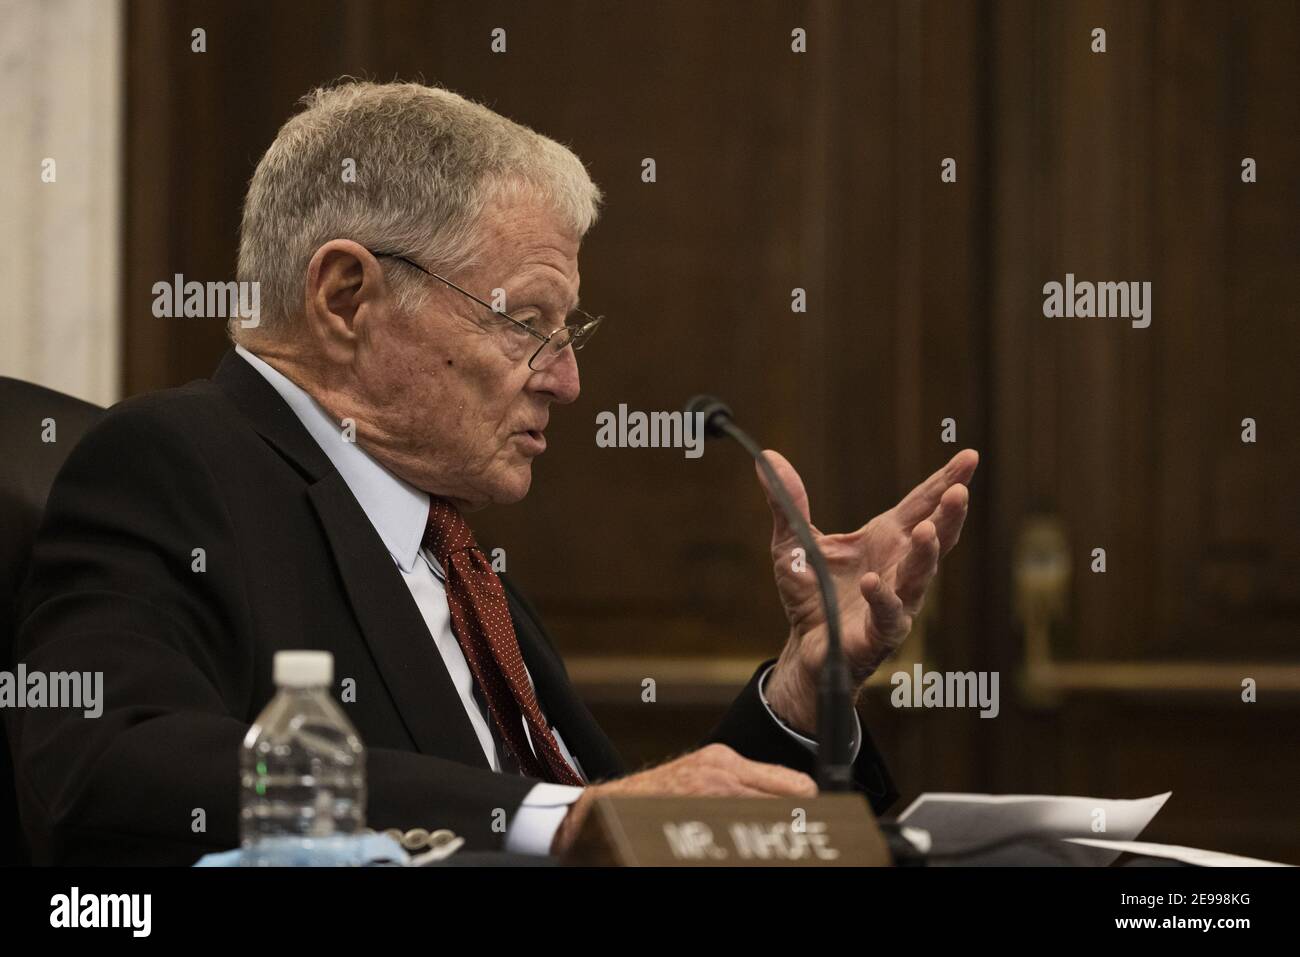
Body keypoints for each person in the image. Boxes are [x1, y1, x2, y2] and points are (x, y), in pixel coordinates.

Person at [8, 80, 977, 864]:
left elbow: (619, 822)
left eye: (568, 333)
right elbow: (104, 759)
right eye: (527, 324)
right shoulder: (177, 467)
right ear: (348, 297)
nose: (567, 379)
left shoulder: (453, 554)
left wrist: (804, 697)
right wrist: (551, 825)